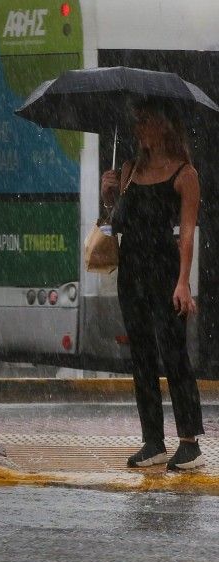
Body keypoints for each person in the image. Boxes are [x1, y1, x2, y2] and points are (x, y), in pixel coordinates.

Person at [100, 98, 204, 471]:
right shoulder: (129, 170)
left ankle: (189, 442)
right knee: (141, 358)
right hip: (132, 275)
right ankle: (153, 441)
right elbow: (116, 224)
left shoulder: (184, 174)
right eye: (137, 121)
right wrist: (109, 196)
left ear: (163, 126)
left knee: (174, 356)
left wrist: (183, 282)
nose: (138, 128)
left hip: (164, 271)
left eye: (144, 121)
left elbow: (188, 233)